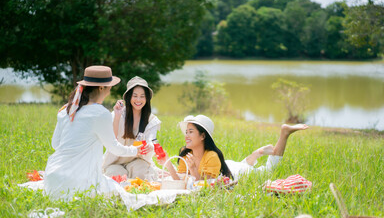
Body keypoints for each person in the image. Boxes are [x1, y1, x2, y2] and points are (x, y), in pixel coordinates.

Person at [44, 66, 145, 200]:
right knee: (121, 191)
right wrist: (135, 150)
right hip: (78, 182)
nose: (110, 91)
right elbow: (113, 147)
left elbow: (55, 144)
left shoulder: (66, 110)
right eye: (109, 87)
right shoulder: (100, 113)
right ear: (101, 88)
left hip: (52, 179)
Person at [159, 115, 308, 181]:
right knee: (243, 164)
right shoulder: (186, 155)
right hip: (226, 166)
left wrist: (192, 170)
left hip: (235, 172)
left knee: (269, 171)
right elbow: (179, 180)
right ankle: (257, 153)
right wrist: (167, 163)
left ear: (203, 136)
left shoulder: (211, 156)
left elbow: (202, 185)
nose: (186, 136)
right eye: (186, 132)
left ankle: (284, 133)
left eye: (191, 132)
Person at [102, 76, 161, 180]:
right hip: (115, 161)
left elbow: (152, 139)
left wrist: (150, 146)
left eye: (142, 96)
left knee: (143, 173)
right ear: (129, 97)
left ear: (147, 98)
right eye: (135, 96)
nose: (138, 100)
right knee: (117, 176)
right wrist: (117, 116)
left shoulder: (151, 120)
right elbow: (112, 139)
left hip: (137, 160)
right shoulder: (118, 114)